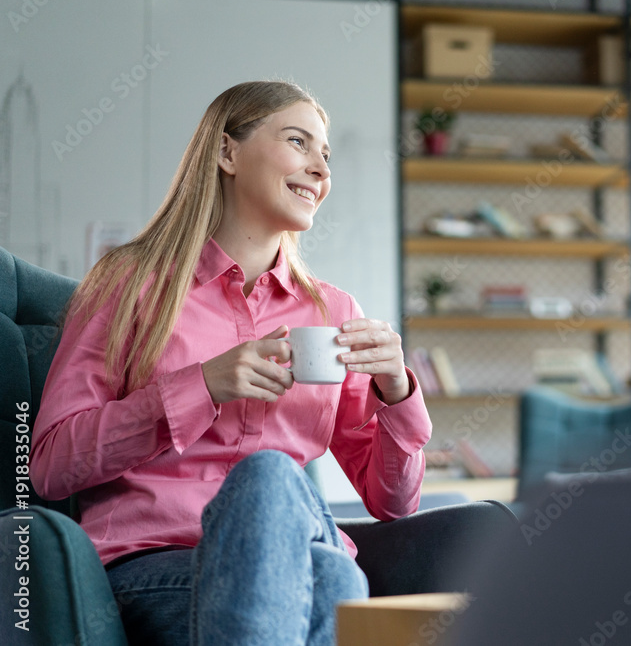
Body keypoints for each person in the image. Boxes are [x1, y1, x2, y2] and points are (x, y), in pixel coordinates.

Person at [28, 80, 432, 645]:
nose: (320, 168)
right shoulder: (129, 285)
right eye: (299, 142)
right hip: (157, 568)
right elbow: (48, 465)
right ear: (226, 152)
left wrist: (396, 392)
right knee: (313, 541)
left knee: (319, 554)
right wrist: (200, 386)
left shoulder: (332, 311)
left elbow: (393, 502)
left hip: (297, 562)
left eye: (326, 155)